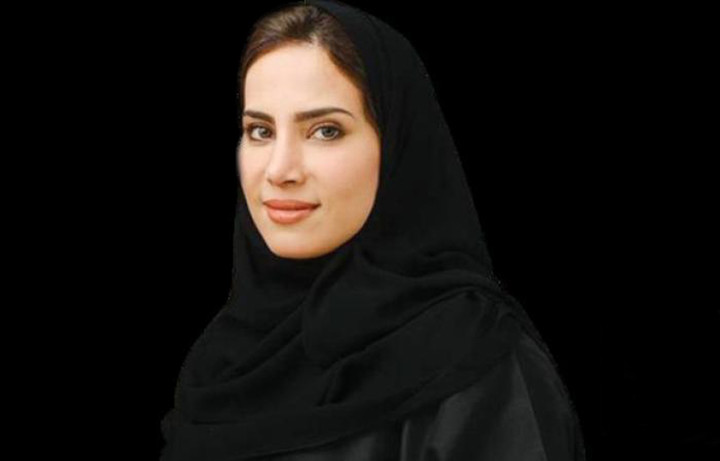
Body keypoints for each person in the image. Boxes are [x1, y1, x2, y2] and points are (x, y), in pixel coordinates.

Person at [159, 1, 588, 459]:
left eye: (325, 131)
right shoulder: (223, 361)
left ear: (397, 145)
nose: (280, 170)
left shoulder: (474, 361)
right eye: (260, 131)